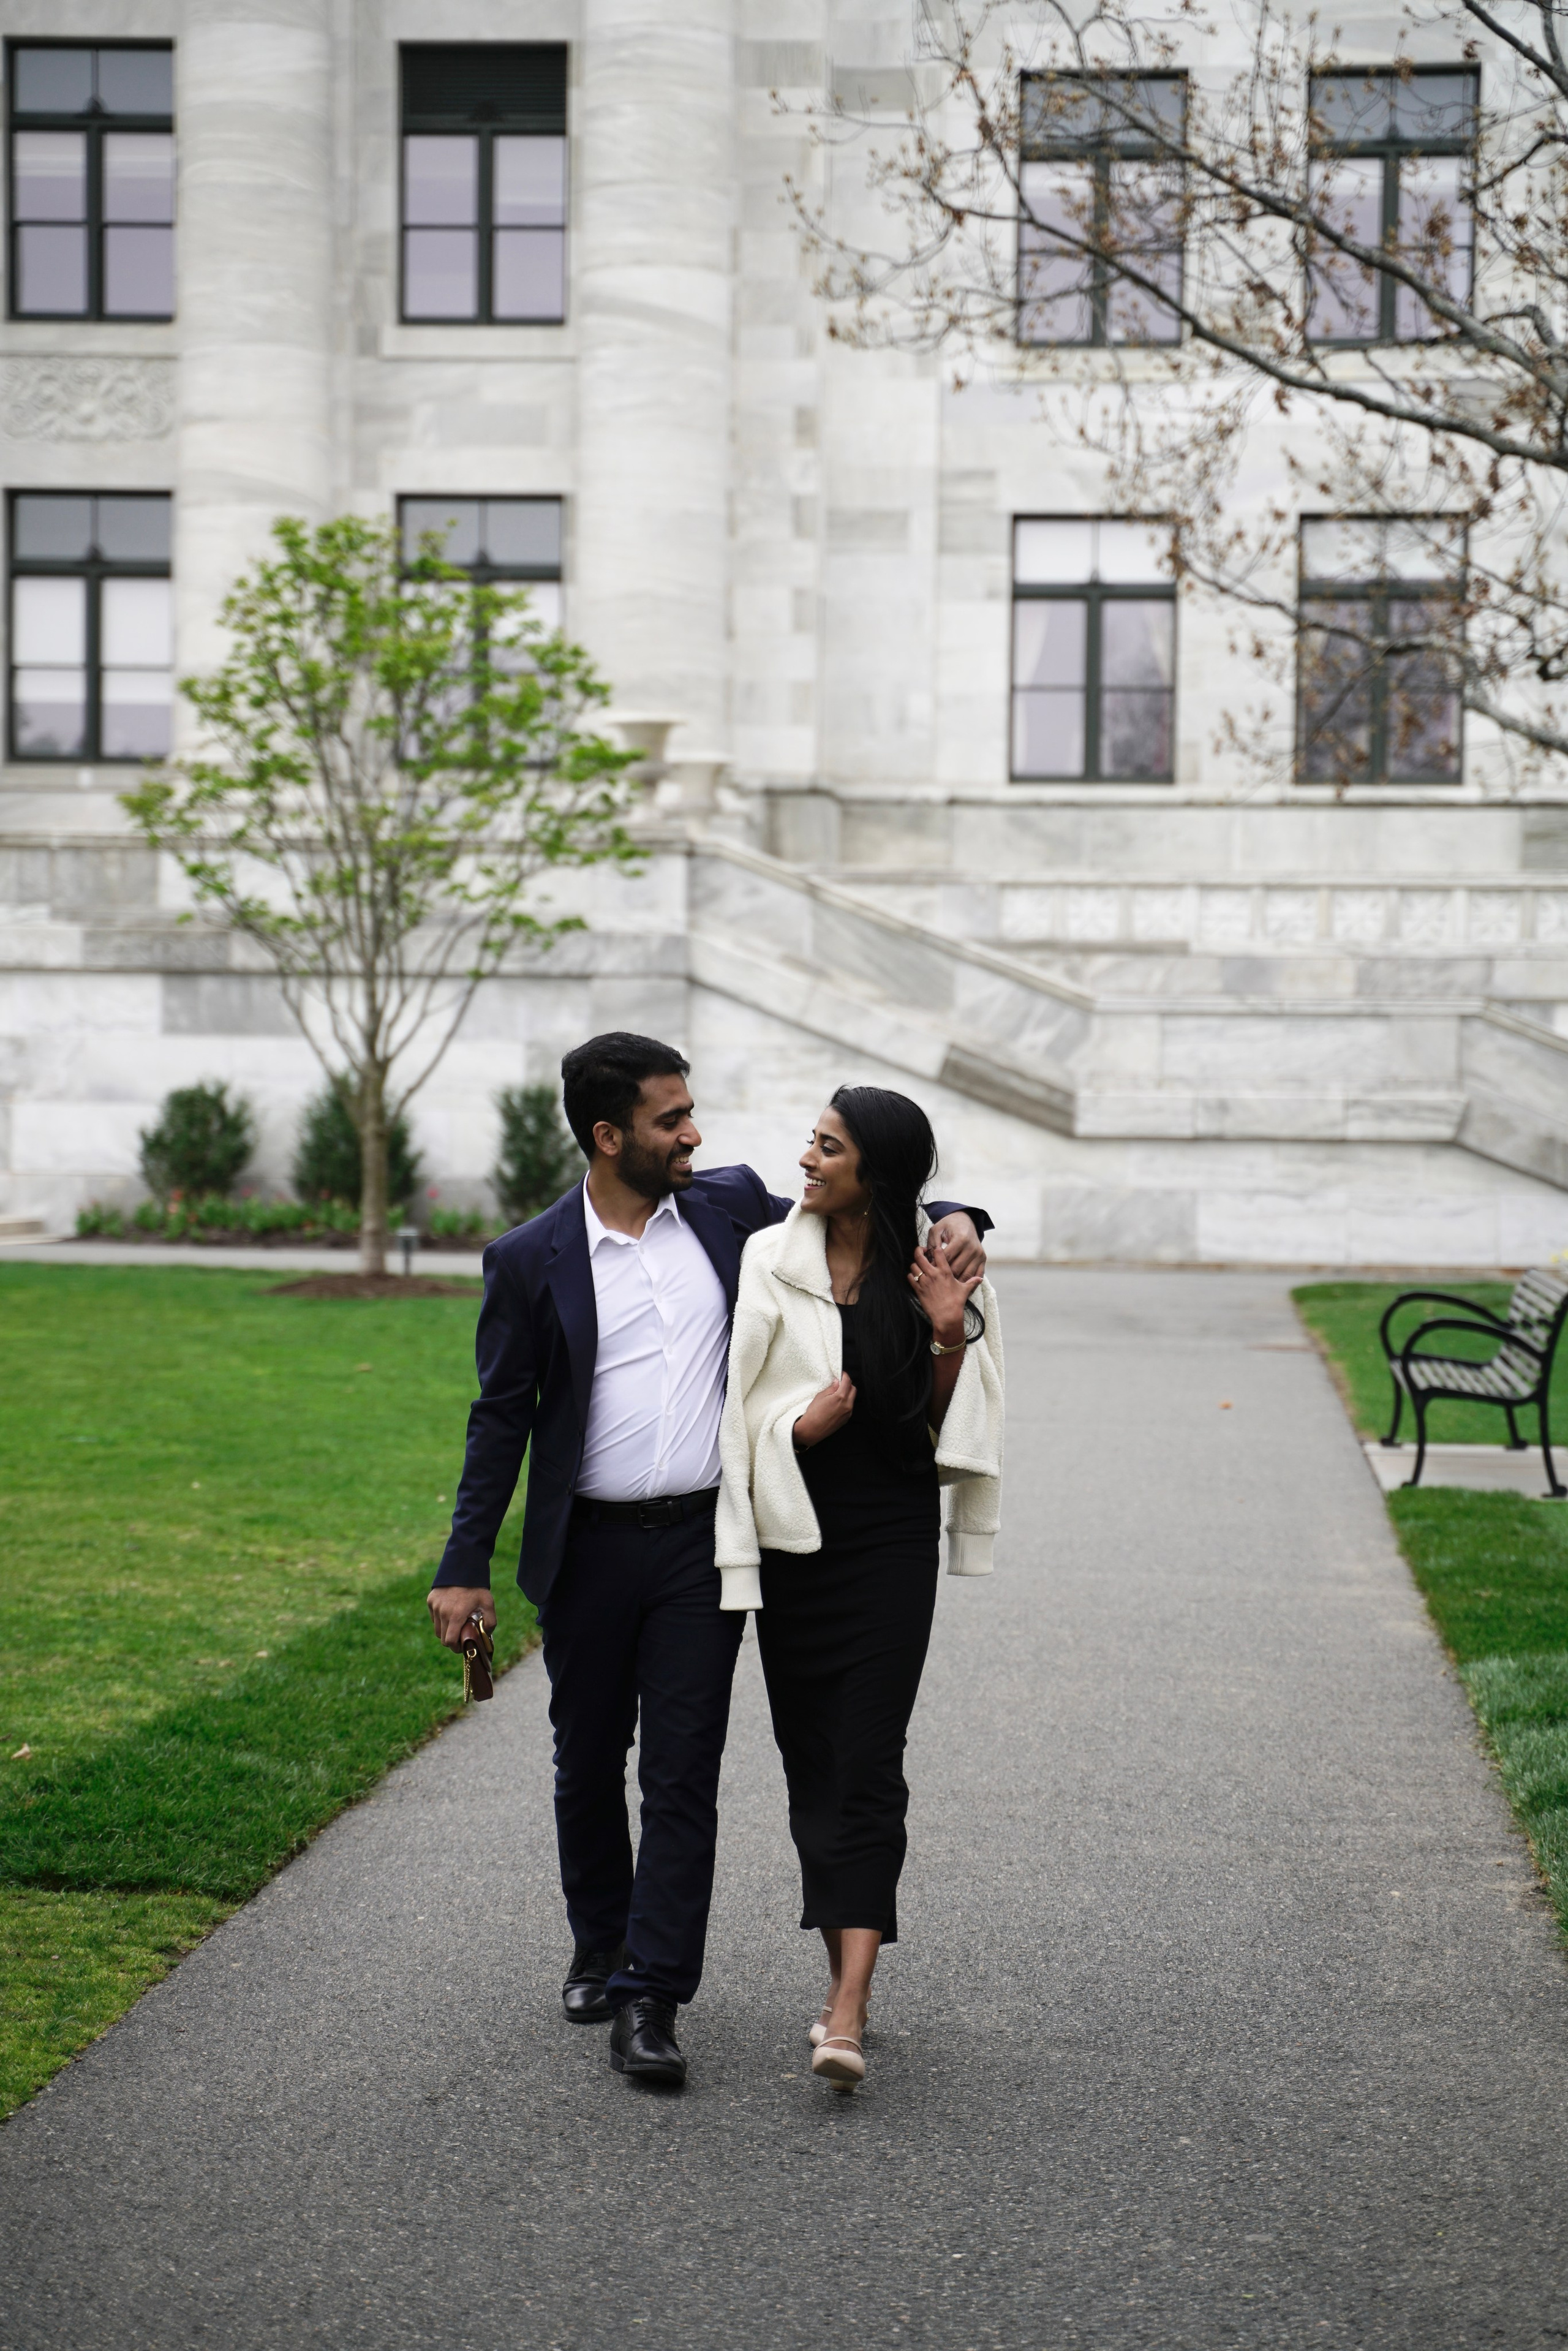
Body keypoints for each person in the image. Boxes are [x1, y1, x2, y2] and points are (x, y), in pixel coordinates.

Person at [425, 1034, 990, 2089]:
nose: (695, 1134)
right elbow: (498, 1420)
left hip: (703, 1544)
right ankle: (599, 1943)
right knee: (587, 1762)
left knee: (682, 1773)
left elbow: (869, 1180)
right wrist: (466, 1567)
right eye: (670, 1119)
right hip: (586, 1548)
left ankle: (652, 1993)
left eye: (692, 1113)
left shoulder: (730, 1208)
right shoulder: (528, 1260)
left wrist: (963, 1214)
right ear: (608, 1137)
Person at [715, 1085, 1004, 2091]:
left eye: (828, 1146)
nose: (807, 1156)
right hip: (798, 1540)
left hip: (887, 1541)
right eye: (811, 1139)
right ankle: (850, 1974)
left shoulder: (935, 1263)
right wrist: (794, 1432)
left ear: (872, 1170)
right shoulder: (768, 1255)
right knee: (813, 1763)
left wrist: (947, 1327)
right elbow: (738, 1403)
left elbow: (942, 1425)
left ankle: (845, 2007)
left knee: (869, 1756)